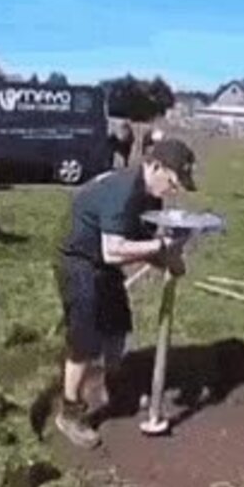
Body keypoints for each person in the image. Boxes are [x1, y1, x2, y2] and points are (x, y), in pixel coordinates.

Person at [53, 138, 198, 448]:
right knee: (86, 341)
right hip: (78, 260)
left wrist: (168, 260)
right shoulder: (123, 192)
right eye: (172, 182)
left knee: (118, 325)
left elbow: (142, 245)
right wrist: (162, 246)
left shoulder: (151, 198)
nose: (173, 191)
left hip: (102, 261)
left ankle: (115, 386)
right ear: (155, 167)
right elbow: (114, 250)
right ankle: (69, 412)